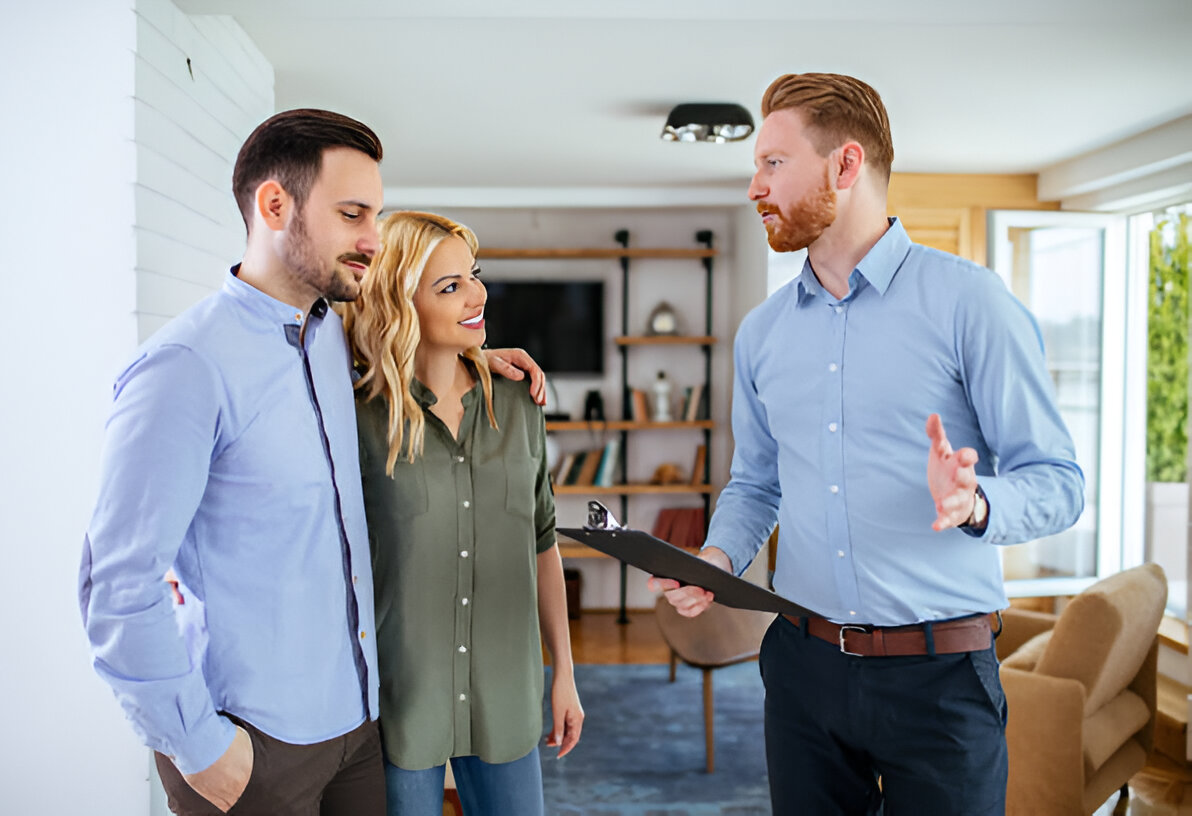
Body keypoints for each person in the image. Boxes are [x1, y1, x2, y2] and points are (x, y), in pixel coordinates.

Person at [79, 110, 544, 816]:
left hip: (355, 730)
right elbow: (115, 585)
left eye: (377, 216)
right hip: (254, 747)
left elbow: (413, 342)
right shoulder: (186, 367)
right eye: (353, 214)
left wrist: (479, 357)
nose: (372, 240)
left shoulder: (331, 337)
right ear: (274, 206)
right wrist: (201, 750)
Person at [654, 73, 1085, 815]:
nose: (754, 185)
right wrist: (718, 560)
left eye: (773, 164)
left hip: (941, 680)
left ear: (845, 166)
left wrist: (976, 500)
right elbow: (757, 483)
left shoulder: (970, 303)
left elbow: (1059, 482)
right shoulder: (762, 334)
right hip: (801, 668)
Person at [340, 211, 584, 816]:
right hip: (400, 700)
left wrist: (564, 674)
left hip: (508, 690)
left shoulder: (519, 403)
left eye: (473, 275)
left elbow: (543, 540)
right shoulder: (358, 418)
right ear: (401, 304)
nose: (476, 294)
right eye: (449, 287)